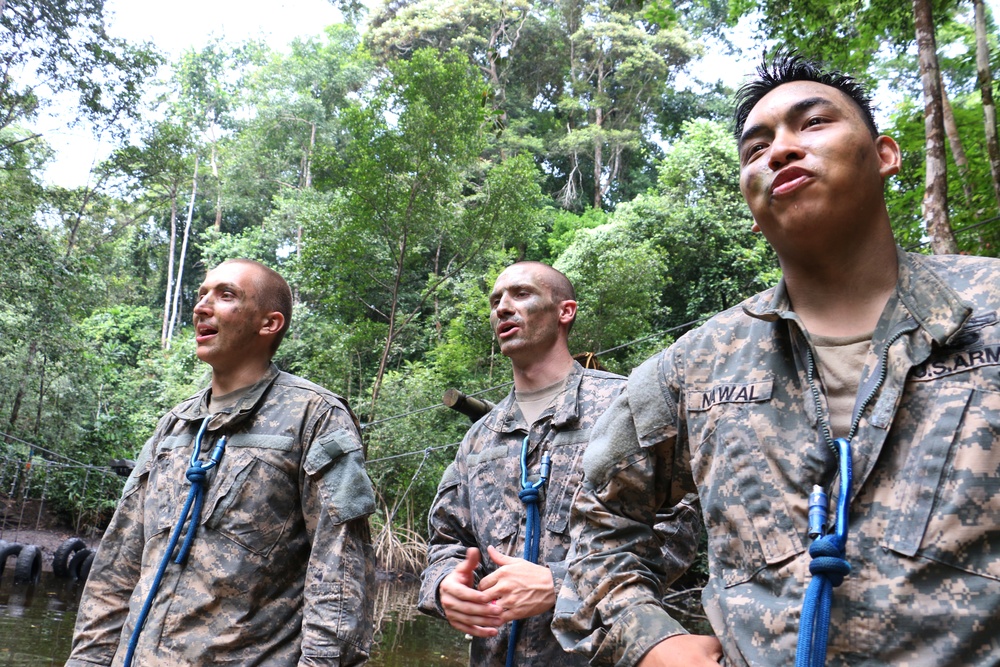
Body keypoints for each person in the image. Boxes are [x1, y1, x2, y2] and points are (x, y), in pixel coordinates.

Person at [553, 52, 1000, 667]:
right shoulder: (700, 362)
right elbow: (599, 514)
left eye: (813, 123)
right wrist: (650, 640)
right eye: (755, 148)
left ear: (885, 155)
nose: (780, 151)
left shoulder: (989, 310)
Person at [67, 259, 376, 666]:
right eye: (201, 295)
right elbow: (116, 566)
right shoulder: (173, 427)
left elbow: (340, 572)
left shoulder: (315, 416)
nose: (201, 307)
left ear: (269, 324)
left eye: (225, 295)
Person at [418, 262, 699, 666]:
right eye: (496, 300)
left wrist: (561, 583)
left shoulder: (624, 407)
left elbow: (677, 528)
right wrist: (446, 586)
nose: (502, 307)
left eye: (521, 294)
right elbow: (447, 542)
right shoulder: (480, 436)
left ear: (565, 311)